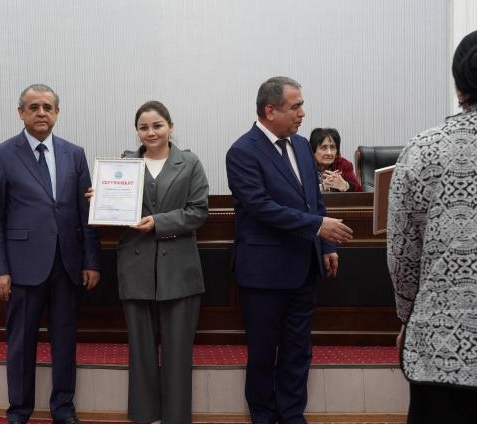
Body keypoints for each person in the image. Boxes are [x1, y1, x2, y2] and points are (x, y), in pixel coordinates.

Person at [387, 25, 477, 423]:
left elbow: (403, 255)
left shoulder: (424, 150)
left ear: (460, 88)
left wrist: (407, 316)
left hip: (443, 354)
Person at [225, 76, 353, 424]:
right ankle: (264, 416)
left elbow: (315, 201)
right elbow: (260, 207)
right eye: (296, 107)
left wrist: (325, 244)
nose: (302, 113)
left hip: (303, 267)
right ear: (270, 110)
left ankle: (292, 414)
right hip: (263, 274)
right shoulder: (242, 151)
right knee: (263, 353)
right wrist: (317, 227)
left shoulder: (300, 145)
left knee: (298, 351)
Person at [0, 84, 101, 424]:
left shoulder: (74, 154)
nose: (41, 113)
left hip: (67, 265)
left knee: (65, 341)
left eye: (48, 107)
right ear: (20, 112)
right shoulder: (2, 155)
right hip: (22, 268)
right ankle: (19, 411)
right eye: (33, 107)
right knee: (21, 344)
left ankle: (63, 408)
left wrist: (91, 261)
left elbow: (85, 213)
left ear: (57, 113)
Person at [117, 101, 209, 424]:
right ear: (137, 132)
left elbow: (198, 212)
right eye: (143, 127)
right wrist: (102, 200)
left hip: (179, 267)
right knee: (140, 349)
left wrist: (158, 222)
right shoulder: (125, 164)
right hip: (136, 264)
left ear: (170, 127)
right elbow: (116, 211)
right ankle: (144, 415)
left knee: (178, 350)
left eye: (157, 125)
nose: (151, 132)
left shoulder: (190, 162)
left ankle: (175, 417)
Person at [308, 128, 361, 192]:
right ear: (313, 150)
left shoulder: (344, 164)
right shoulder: (305, 165)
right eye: (324, 148)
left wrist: (346, 185)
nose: (329, 153)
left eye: (332, 148)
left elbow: (359, 190)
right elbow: (300, 191)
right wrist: (322, 187)